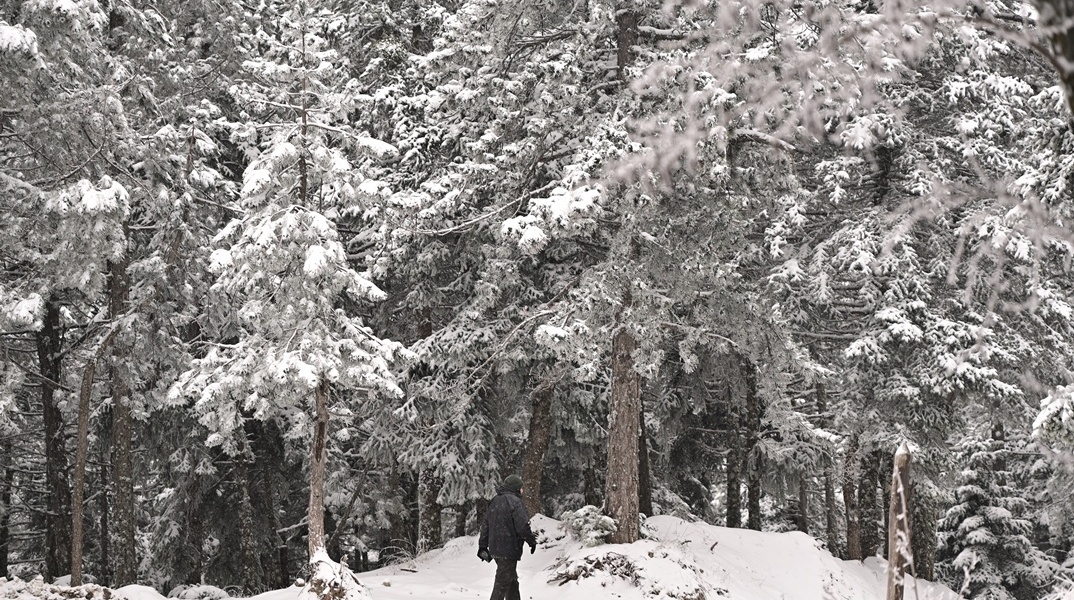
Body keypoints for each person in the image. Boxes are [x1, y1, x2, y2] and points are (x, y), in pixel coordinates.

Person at [477, 474, 537, 600]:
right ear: (515, 488)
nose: (522, 490)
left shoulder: (494, 501)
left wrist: (482, 546)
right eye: (521, 488)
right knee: (502, 583)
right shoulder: (515, 502)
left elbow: (486, 525)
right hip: (509, 549)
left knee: (511, 582)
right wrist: (531, 541)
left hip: (495, 548)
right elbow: (522, 526)